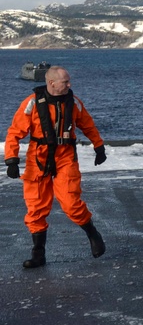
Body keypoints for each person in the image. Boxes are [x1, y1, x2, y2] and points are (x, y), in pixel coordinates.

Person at [5, 65, 107, 268]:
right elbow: (14, 132)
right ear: (51, 83)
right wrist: (12, 160)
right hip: (38, 159)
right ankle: (38, 254)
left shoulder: (74, 103)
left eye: (69, 81)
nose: (70, 85)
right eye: (65, 82)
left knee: (70, 202)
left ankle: (93, 234)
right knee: (35, 207)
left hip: (65, 157)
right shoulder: (32, 103)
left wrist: (99, 147)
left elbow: (88, 125)